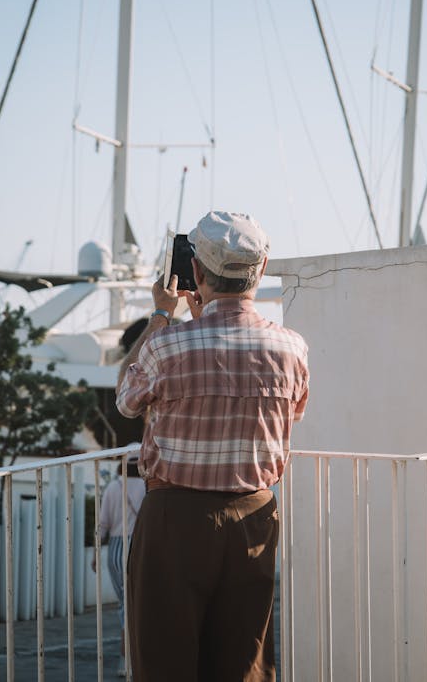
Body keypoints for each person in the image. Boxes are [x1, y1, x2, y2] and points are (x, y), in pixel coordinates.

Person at [116, 211, 309, 682]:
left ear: (196, 273)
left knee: (165, 660)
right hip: (255, 517)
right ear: (260, 271)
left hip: (176, 520)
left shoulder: (168, 346)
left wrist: (163, 313)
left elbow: (125, 398)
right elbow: (293, 415)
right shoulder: (292, 348)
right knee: (244, 660)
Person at [92, 459, 145, 677]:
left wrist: (95, 553)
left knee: (124, 605)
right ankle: (138, 661)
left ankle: (126, 662)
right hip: (141, 547)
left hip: (115, 549)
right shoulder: (147, 486)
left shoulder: (114, 486)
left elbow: (102, 522)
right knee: (139, 604)